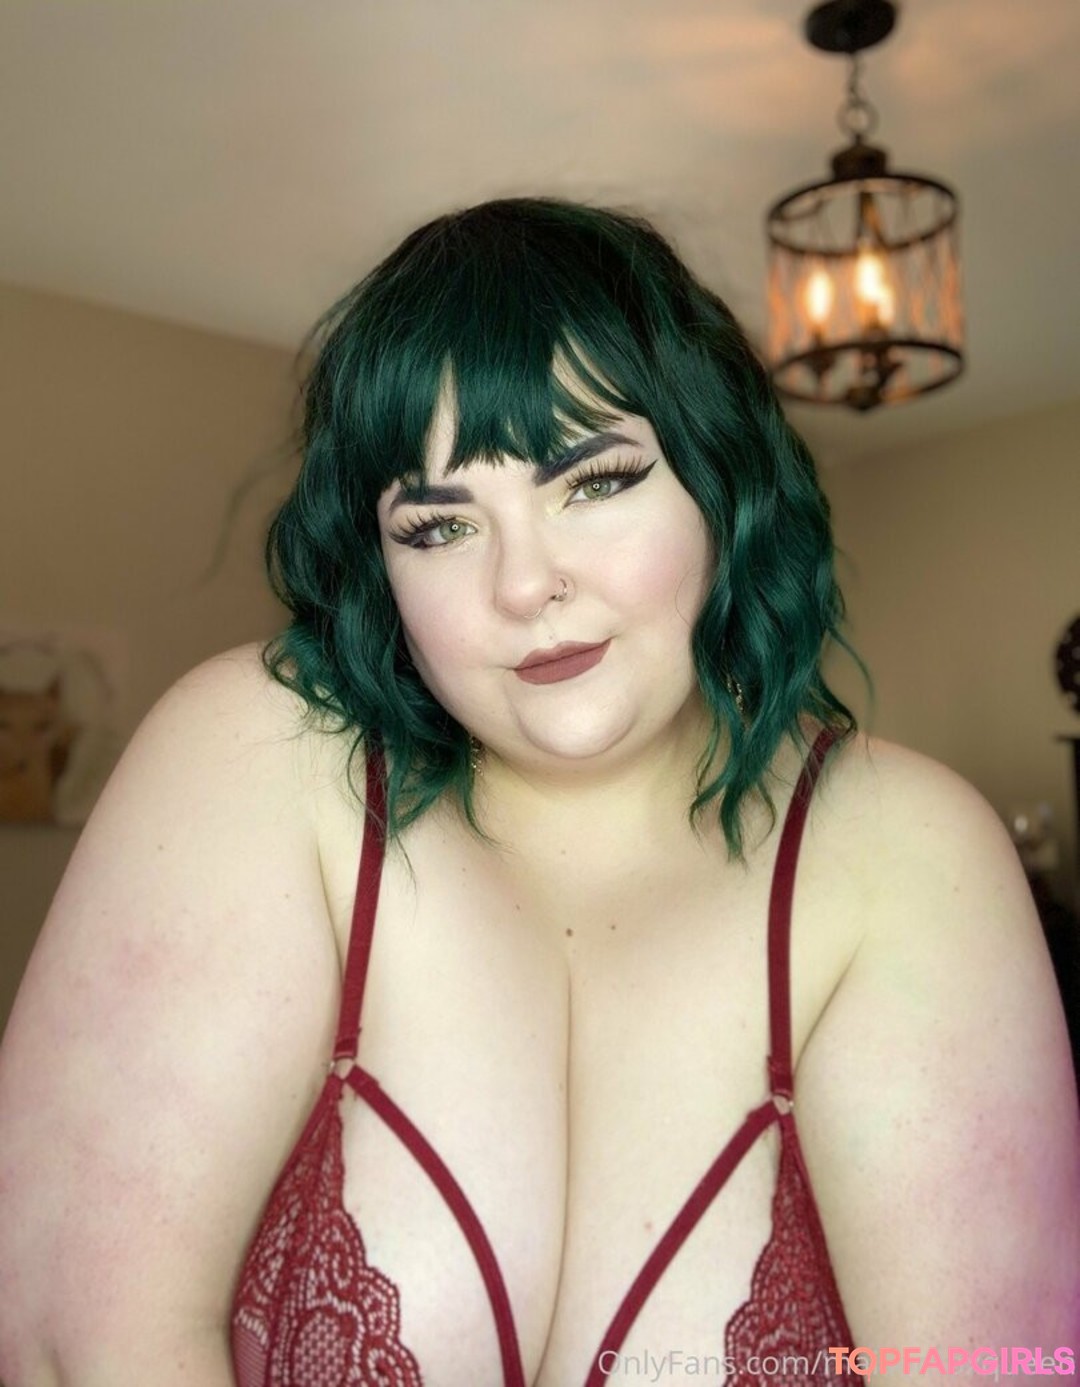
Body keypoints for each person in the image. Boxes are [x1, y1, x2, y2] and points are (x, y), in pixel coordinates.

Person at [0, 197, 1076, 1387]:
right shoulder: (261, 755)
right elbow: (71, 1344)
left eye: (595, 481)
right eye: (439, 525)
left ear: (720, 482)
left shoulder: (906, 855)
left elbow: (1000, 1366)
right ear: (380, 567)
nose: (524, 584)